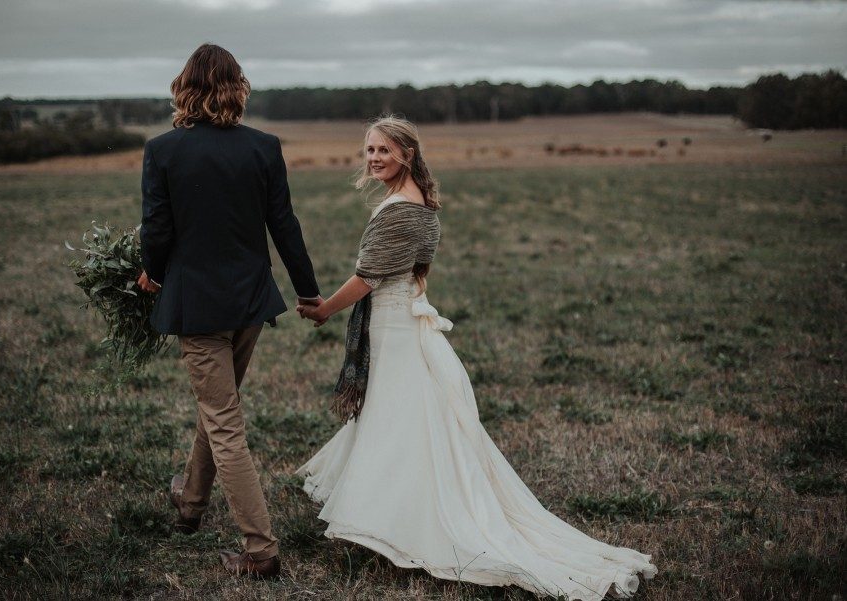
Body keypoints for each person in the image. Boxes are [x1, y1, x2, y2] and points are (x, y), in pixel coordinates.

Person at [295, 115, 658, 600]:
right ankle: (391, 512)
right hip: (398, 321)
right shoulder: (417, 203)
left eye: (384, 150)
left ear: (407, 153)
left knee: (399, 423)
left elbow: (368, 278)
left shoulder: (403, 209)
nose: (374, 158)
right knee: (402, 420)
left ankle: (402, 520)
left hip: (394, 326)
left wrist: (323, 310)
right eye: (369, 150)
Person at [137, 43, 322, 580]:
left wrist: (151, 269)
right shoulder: (263, 147)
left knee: (223, 420)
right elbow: (283, 225)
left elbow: (158, 229)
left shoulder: (163, 151)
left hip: (197, 306)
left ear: (185, 88)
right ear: (237, 87)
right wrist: (307, 290)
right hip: (247, 301)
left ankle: (261, 551)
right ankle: (191, 502)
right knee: (219, 407)